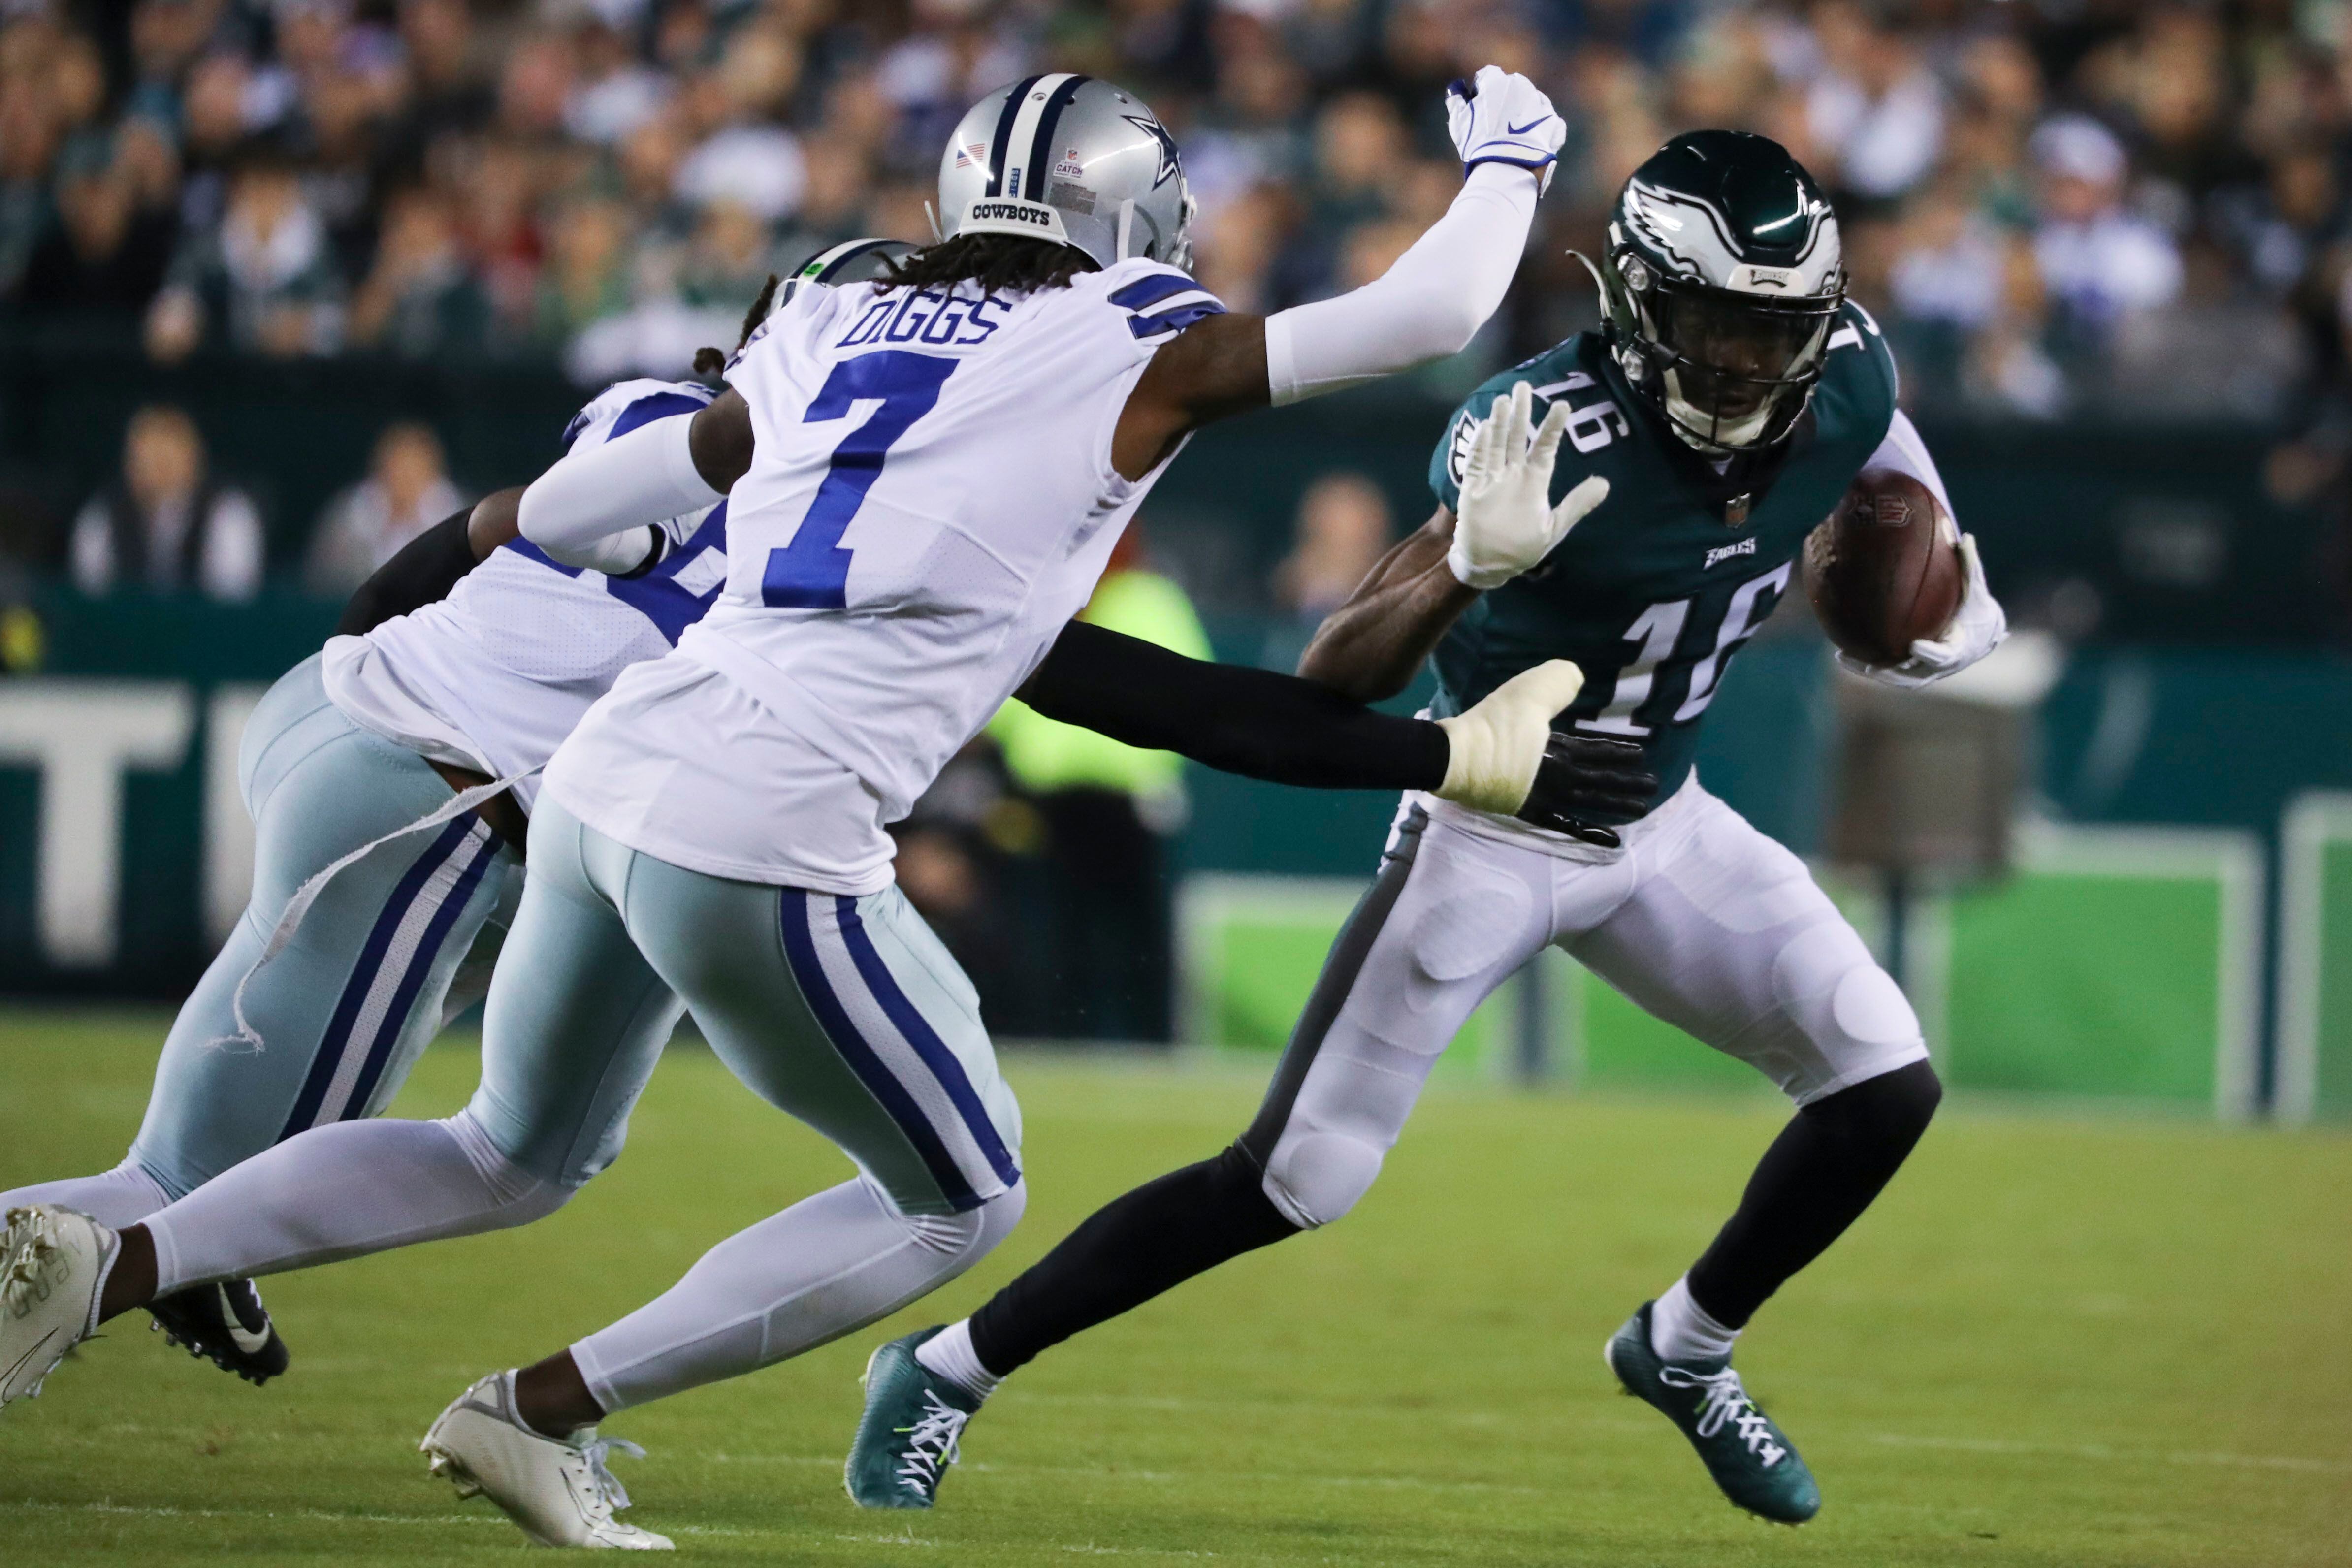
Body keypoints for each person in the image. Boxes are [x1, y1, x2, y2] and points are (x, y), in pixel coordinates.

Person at [0, 72, 1659, 1552]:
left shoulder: (827, 318)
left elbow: (614, 488)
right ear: (1134, 219)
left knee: (508, 1147)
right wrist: (1512, 152)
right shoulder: (1121, 337)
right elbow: (1432, 309)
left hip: (615, 764)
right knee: (963, 1192)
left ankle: (101, 1257)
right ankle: (535, 1408)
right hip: (767, 813)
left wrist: (475, 536)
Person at [838, 130, 2010, 1526]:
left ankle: (1686, 1348)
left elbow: (1897, 463)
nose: (1748, 367)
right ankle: (948, 1367)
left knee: (1884, 1083)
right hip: (1492, 828)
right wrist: (1462, 563)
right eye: (1713, 328)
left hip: (1663, 821)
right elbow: (1335, 681)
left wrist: (1950, 581)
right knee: (1295, 1177)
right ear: (1637, 301)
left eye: (1774, 334)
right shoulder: (1544, 429)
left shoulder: (1847, 373)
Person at [0, 240, 915, 1390]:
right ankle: (176, 1258)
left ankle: (196, 1258)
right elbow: (599, 533)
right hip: (436, 796)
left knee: (491, 1153)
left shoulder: (665, 406)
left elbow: (493, 524)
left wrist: (363, 627)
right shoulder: (777, 489)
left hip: (381, 739)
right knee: (170, 1197)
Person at [69, 405, 264, 600]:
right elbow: (90, 593)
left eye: (167, 457)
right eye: (146, 458)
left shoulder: (227, 510)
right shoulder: (104, 513)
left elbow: (232, 597)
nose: (157, 469)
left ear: (194, 457)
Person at [304, 421, 469, 597]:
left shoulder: (465, 520)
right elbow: (320, 583)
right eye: (399, 466)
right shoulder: (346, 519)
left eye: (415, 467)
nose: (406, 478)